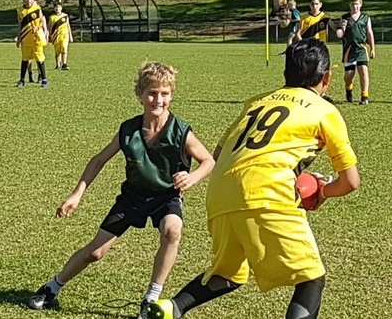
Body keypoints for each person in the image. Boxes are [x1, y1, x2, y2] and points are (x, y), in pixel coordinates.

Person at [150, 39, 361, 319]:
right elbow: (350, 181)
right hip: (268, 193)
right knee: (311, 278)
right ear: (327, 77)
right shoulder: (325, 110)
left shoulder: (256, 102)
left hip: (221, 193)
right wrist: (321, 191)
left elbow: (219, 153)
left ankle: (171, 307)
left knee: (230, 273)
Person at [28, 62, 215, 319]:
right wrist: (77, 193)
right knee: (95, 252)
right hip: (133, 198)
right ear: (139, 94)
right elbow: (98, 160)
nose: (158, 99)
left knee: (172, 230)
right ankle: (51, 288)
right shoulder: (129, 130)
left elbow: (209, 161)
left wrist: (192, 177)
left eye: (164, 93)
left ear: (172, 95)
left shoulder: (181, 131)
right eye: (152, 93)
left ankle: (151, 298)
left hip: (166, 197)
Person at [336, 0, 375, 105]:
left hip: (361, 48)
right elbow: (340, 34)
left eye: (357, 4)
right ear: (349, 5)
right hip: (349, 49)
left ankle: (364, 96)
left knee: (363, 71)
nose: (355, 7)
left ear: (361, 4)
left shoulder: (365, 18)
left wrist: (372, 48)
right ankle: (349, 88)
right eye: (353, 4)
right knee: (349, 75)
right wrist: (342, 28)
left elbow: (369, 33)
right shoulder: (345, 18)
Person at [296, 0, 334, 101]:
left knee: (322, 69)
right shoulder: (304, 18)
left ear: (320, 5)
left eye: (317, 4)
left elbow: (334, 28)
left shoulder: (325, 17)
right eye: (312, 4)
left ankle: (322, 93)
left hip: (321, 48)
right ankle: (305, 90)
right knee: (306, 70)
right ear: (309, 5)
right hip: (308, 48)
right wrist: (302, 43)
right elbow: (298, 33)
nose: (314, 6)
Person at [16, 0, 49, 88]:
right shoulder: (20, 11)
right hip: (25, 39)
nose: (28, 0)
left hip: (36, 38)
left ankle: (44, 79)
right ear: (23, 0)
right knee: (25, 59)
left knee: (40, 59)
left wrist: (38, 28)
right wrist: (19, 38)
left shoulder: (37, 9)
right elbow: (19, 25)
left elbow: (42, 21)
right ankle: (22, 80)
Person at [49, 2, 74, 70]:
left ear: (61, 8)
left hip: (64, 35)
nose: (57, 9)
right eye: (56, 7)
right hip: (56, 36)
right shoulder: (52, 17)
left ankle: (64, 64)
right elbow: (49, 27)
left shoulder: (65, 16)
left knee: (64, 48)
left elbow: (68, 26)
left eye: (59, 7)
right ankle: (58, 64)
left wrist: (70, 35)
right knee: (57, 51)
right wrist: (49, 36)